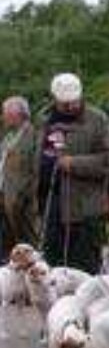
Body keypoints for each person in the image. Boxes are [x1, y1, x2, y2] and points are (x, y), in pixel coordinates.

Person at [36, 73, 109, 274]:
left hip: (85, 211)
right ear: (54, 99)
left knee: (84, 273)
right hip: (50, 209)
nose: (71, 107)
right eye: (65, 104)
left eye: (74, 102)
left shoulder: (98, 120)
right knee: (52, 272)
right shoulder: (43, 119)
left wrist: (75, 163)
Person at [0, 96, 38, 259]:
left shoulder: (33, 137)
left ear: (19, 115)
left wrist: (24, 197)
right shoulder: (8, 137)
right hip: (4, 198)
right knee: (6, 248)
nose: (2, 118)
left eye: (5, 114)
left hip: (22, 203)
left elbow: (34, 171)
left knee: (26, 245)